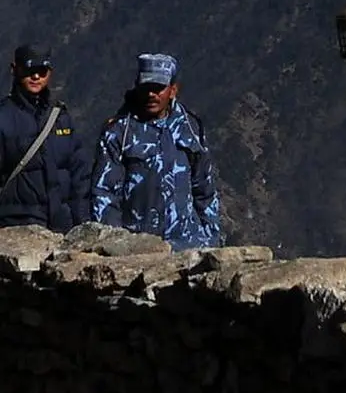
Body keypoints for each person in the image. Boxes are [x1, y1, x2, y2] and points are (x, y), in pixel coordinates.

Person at [91, 53, 221, 251]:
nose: (151, 94)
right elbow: (104, 193)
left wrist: (211, 239)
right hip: (138, 248)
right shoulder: (119, 132)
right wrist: (114, 245)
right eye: (146, 87)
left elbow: (205, 189)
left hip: (188, 246)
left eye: (158, 88)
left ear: (172, 90)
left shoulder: (190, 128)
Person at [0, 45, 90, 232]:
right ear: (15, 69)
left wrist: (82, 223)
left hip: (62, 225)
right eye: (29, 70)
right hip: (16, 226)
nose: (35, 77)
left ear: (49, 72)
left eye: (41, 71)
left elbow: (79, 175)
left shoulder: (61, 118)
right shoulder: (3, 117)